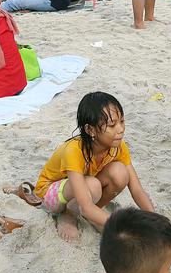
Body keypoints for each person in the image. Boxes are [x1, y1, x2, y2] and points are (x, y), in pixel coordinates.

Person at [21, 92, 155, 242]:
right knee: (92, 185)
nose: (120, 129)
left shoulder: (118, 147)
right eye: (112, 125)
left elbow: (136, 189)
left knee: (121, 173)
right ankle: (69, 214)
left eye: (122, 121)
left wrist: (156, 221)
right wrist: (125, 228)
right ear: (90, 130)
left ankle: (94, 214)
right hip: (50, 195)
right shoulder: (74, 150)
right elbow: (85, 204)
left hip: (82, 190)